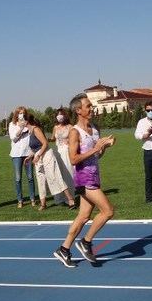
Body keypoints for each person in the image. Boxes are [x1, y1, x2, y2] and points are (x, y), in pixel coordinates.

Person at [53, 93, 115, 268]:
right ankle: (86, 242)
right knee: (108, 211)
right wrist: (96, 147)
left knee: (83, 216)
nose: (92, 108)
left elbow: (97, 155)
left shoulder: (95, 129)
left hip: (94, 175)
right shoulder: (75, 132)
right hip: (83, 177)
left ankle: (64, 249)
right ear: (78, 110)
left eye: (91, 105)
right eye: (88, 106)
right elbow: (73, 159)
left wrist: (104, 147)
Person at [24, 113, 76, 211]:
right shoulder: (29, 131)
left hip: (47, 155)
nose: (20, 122)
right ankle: (43, 204)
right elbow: (35, 147)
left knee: (55, 177)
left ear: (26, 121)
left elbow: (45, 143)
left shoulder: (36, 129)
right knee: (40, 180)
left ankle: (70, 199)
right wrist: (30, 156)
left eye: (21, 120)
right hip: (38, 157)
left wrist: (38, 155)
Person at [8, 107, 37, 208]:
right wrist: (20, 128)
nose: (21, 115)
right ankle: (20, 200)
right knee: (18, 178)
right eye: (20, 113)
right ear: (16, 114)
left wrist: (32, 152)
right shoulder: (12, 124)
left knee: (30, 178)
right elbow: (13, 138)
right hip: (16, 154)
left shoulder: (29, 124)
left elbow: (33, 137)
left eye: (23, 113)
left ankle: (32, 199)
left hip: (28, 153)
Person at [49, 108, 75, 205]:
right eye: (58, 114)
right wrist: (47, 139)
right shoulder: (55, 127)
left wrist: (69, 141)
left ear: (65, 116)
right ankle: (59, 198)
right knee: (58, 174)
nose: (59, 116)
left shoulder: (70, 127)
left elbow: (75, 138)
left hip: (66, 151)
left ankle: (69, 197)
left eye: (61, 114)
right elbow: (52, 138)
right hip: (57, 152)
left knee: (68, 173)